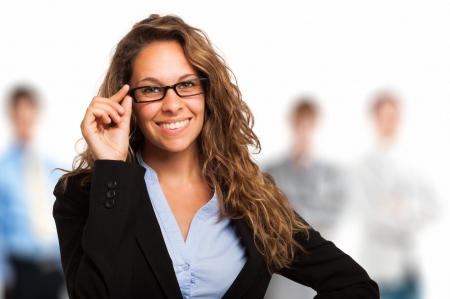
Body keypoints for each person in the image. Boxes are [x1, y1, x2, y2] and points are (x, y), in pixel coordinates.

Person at [53, 14, 379, 298]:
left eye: (187, 84)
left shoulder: (252, 195)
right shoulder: (82, 196)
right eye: (151, 89)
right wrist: (112, 166)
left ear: (208, 92)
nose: (172, 104)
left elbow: (353, 285)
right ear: (126, 102)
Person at [351, 92, 438, 299]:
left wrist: (400, 208)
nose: (391, 122)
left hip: (410, 271)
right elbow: (375, 221)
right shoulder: (363, 168)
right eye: (385, 116)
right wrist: (412, 213)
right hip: (382, 274)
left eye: (394, 116)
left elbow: (434, 206)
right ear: (374, 119)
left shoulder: (412, 164)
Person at [264, 99, 347, 299]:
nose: (303, 131)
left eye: (308, 125)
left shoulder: (332, 176)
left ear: (316, 126)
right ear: (291, 125)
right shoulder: (271, 173)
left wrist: (292, 209)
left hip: (314, 265)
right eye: (299, 125)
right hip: (278, 272)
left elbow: (331, 219)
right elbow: (265, 218)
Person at [0, 86, 65, 299]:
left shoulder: (51, 167)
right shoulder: (4, 169)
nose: (24, 122)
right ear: (11, 116)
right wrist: (5, 276)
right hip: (21, 270)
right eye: (20, 116)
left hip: (54, 269)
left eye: (28, 115)